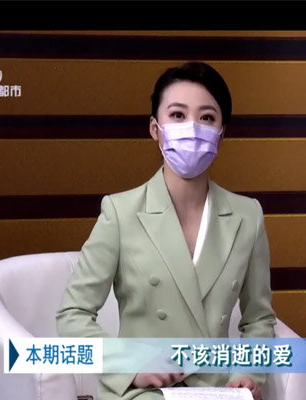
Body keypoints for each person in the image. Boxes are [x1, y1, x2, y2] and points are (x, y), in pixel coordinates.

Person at [56, 61, 277, 400]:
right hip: (141, 391)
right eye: (177, 115)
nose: (192, 128)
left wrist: (246, 375)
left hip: (218, 392)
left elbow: (258, 319)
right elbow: (73, 315)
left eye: (206, 117)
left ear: (222, 132)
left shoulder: (248, 216)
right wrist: (130, 364)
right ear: (154, 128)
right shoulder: (120, 212)